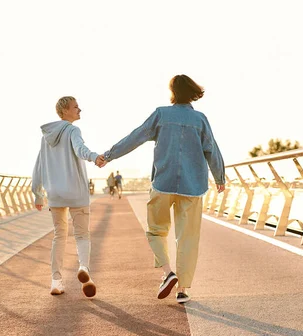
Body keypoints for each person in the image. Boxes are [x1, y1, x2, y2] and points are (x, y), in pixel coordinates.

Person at [102, 75, 225, 304]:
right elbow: (212, 150)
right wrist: (220, 178)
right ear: (192, 92)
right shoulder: (200, 119)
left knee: (156, 230)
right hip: (192, 185)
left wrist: (109, 155)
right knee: (187, 238)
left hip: (163, 183)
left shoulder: (161, 114)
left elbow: (135, 137)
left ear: (173, 92)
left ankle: (168, 272)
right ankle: (183, 289)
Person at [32, 96, 105, 297]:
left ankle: (56, 281)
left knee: (59, 235)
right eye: (75, 107)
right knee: (82, 234)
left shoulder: (45, 137)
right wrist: (94, 157)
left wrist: (37, 193)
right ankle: (83, 269)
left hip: (54, 193)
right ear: (65, 111)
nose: (79, 109)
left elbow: (39, 164)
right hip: (75, 192)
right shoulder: (73, 130)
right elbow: (80, 149)